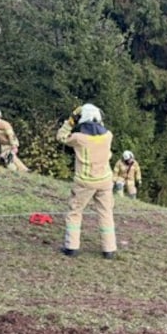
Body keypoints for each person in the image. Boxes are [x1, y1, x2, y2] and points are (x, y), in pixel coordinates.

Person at [56, 103, 117, 259]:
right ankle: (109, 249)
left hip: (85, 182)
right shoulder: (108, 136)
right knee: (106, 213)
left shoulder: (79, 138)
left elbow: (61, 137)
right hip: (105, 180)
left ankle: (71, 247)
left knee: (75, 212)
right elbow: (100, 127)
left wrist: (70, 121)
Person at [0, 107, 29, 172]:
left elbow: (11, 136)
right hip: (3, 145)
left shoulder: (5, 124)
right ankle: (18, 171)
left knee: (10, 156)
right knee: (7, 158)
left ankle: (23, 170)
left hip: (11, 143)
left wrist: (14, 146)